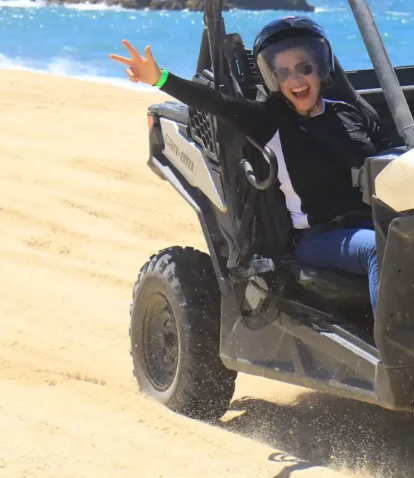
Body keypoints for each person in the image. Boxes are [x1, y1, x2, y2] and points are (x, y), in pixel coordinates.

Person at [109, 16, 395, 311]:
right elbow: (215, 103)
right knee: (380, 250)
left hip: (370, 220)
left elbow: (395, 155)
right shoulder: (270, 121)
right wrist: (160, 78)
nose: (296, 80)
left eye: (305, 68)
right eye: (283, 72)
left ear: (320, 69)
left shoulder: (348, 112)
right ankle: (394, 354)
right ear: (273, 79)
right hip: (317, 238)